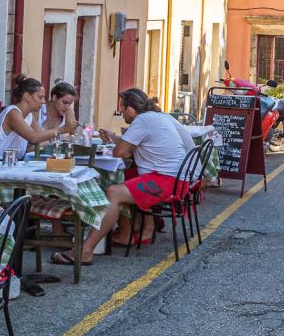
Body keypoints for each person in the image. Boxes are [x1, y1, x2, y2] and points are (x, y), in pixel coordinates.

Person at [52, 87, 193, 264]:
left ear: (130, 109)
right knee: (122, 178)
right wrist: (113, 137)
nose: (121, 113)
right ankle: (129, 230)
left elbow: (120, 153)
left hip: (168, 181)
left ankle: (85, 250)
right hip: (174, 177)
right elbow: (129, 147)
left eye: (122, 109)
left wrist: (118, 143)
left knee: (113, 192)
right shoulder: (152, 117)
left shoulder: (142, 121)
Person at [0, 75, 66, 161]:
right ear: (27, 96)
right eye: (40, 97)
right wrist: (61, 130)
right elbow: (33, 137)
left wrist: (62, 139)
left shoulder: (29, 115)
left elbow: (40, 137)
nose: (43, 101)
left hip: (14, 161)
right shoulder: (13, 112)